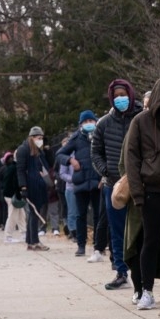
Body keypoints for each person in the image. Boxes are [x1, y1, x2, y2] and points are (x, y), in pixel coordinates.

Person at [124, 78, 160, 310]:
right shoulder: (141, 121)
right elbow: (131, 157)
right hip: (152, 190)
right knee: (151, 240)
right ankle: (146, 289)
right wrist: (138, 193)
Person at [92, 79, 143, 289]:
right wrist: (105, 171)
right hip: (114, 183)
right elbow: (95, 152)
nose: (120, 99)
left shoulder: (141, 118)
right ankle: (121, 271)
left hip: (140, 182)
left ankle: (142, 271)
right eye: (116, 96)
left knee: (142, 230)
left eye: (123, 94)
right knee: (117, 231)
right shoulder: (103, 123)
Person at [64, 110, 102, 260]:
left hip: (97, 181)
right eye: (85, 122)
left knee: (99, 215)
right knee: (81, 215)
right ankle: (81, 244)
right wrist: (70, 161)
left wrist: (103, 175)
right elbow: (60, 154)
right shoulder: (76, 138)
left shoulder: (100, 135)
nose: (88, 124)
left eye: (90, 121)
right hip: (81, 182)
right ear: (81, 124)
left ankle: (98, 245)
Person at [15, 126, 52, 251]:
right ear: (32, 138)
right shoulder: (23, 150)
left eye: (41, 138)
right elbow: (20, 170)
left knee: (33, 213)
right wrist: (23, 186)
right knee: (34, 213)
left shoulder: (38, 151)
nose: (40, 140)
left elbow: (47, 165)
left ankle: (31, 241)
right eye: (38, 138)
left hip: (38, 184)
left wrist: (47, 151)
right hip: (31, 185)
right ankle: (34, 241)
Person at [0, 151, 23, 242]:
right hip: (12, 195)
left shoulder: (13, 167)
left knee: (21, 215)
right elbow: (14, 182)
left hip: (12, 194)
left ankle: (24, 232)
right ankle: (8, 236)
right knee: (13, 216)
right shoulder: (14, 167)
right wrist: (17, 194)